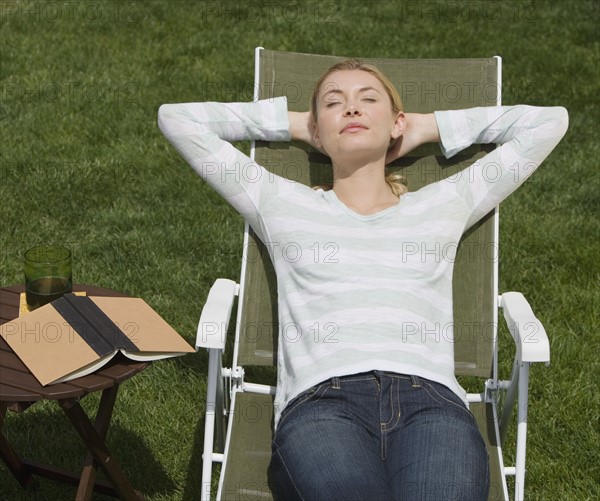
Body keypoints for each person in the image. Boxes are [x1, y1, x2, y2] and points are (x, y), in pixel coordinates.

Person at [158, 59, 568, 501]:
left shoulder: (444, 203)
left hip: (432, 404)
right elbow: (177, 118)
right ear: (317, 131)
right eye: (335, 102)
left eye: (368, 100)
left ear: (396, 122)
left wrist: (425, 127)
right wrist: (299, 124)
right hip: (322, 405)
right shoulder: (279, 203)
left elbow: (549, 122)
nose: (352, 109)